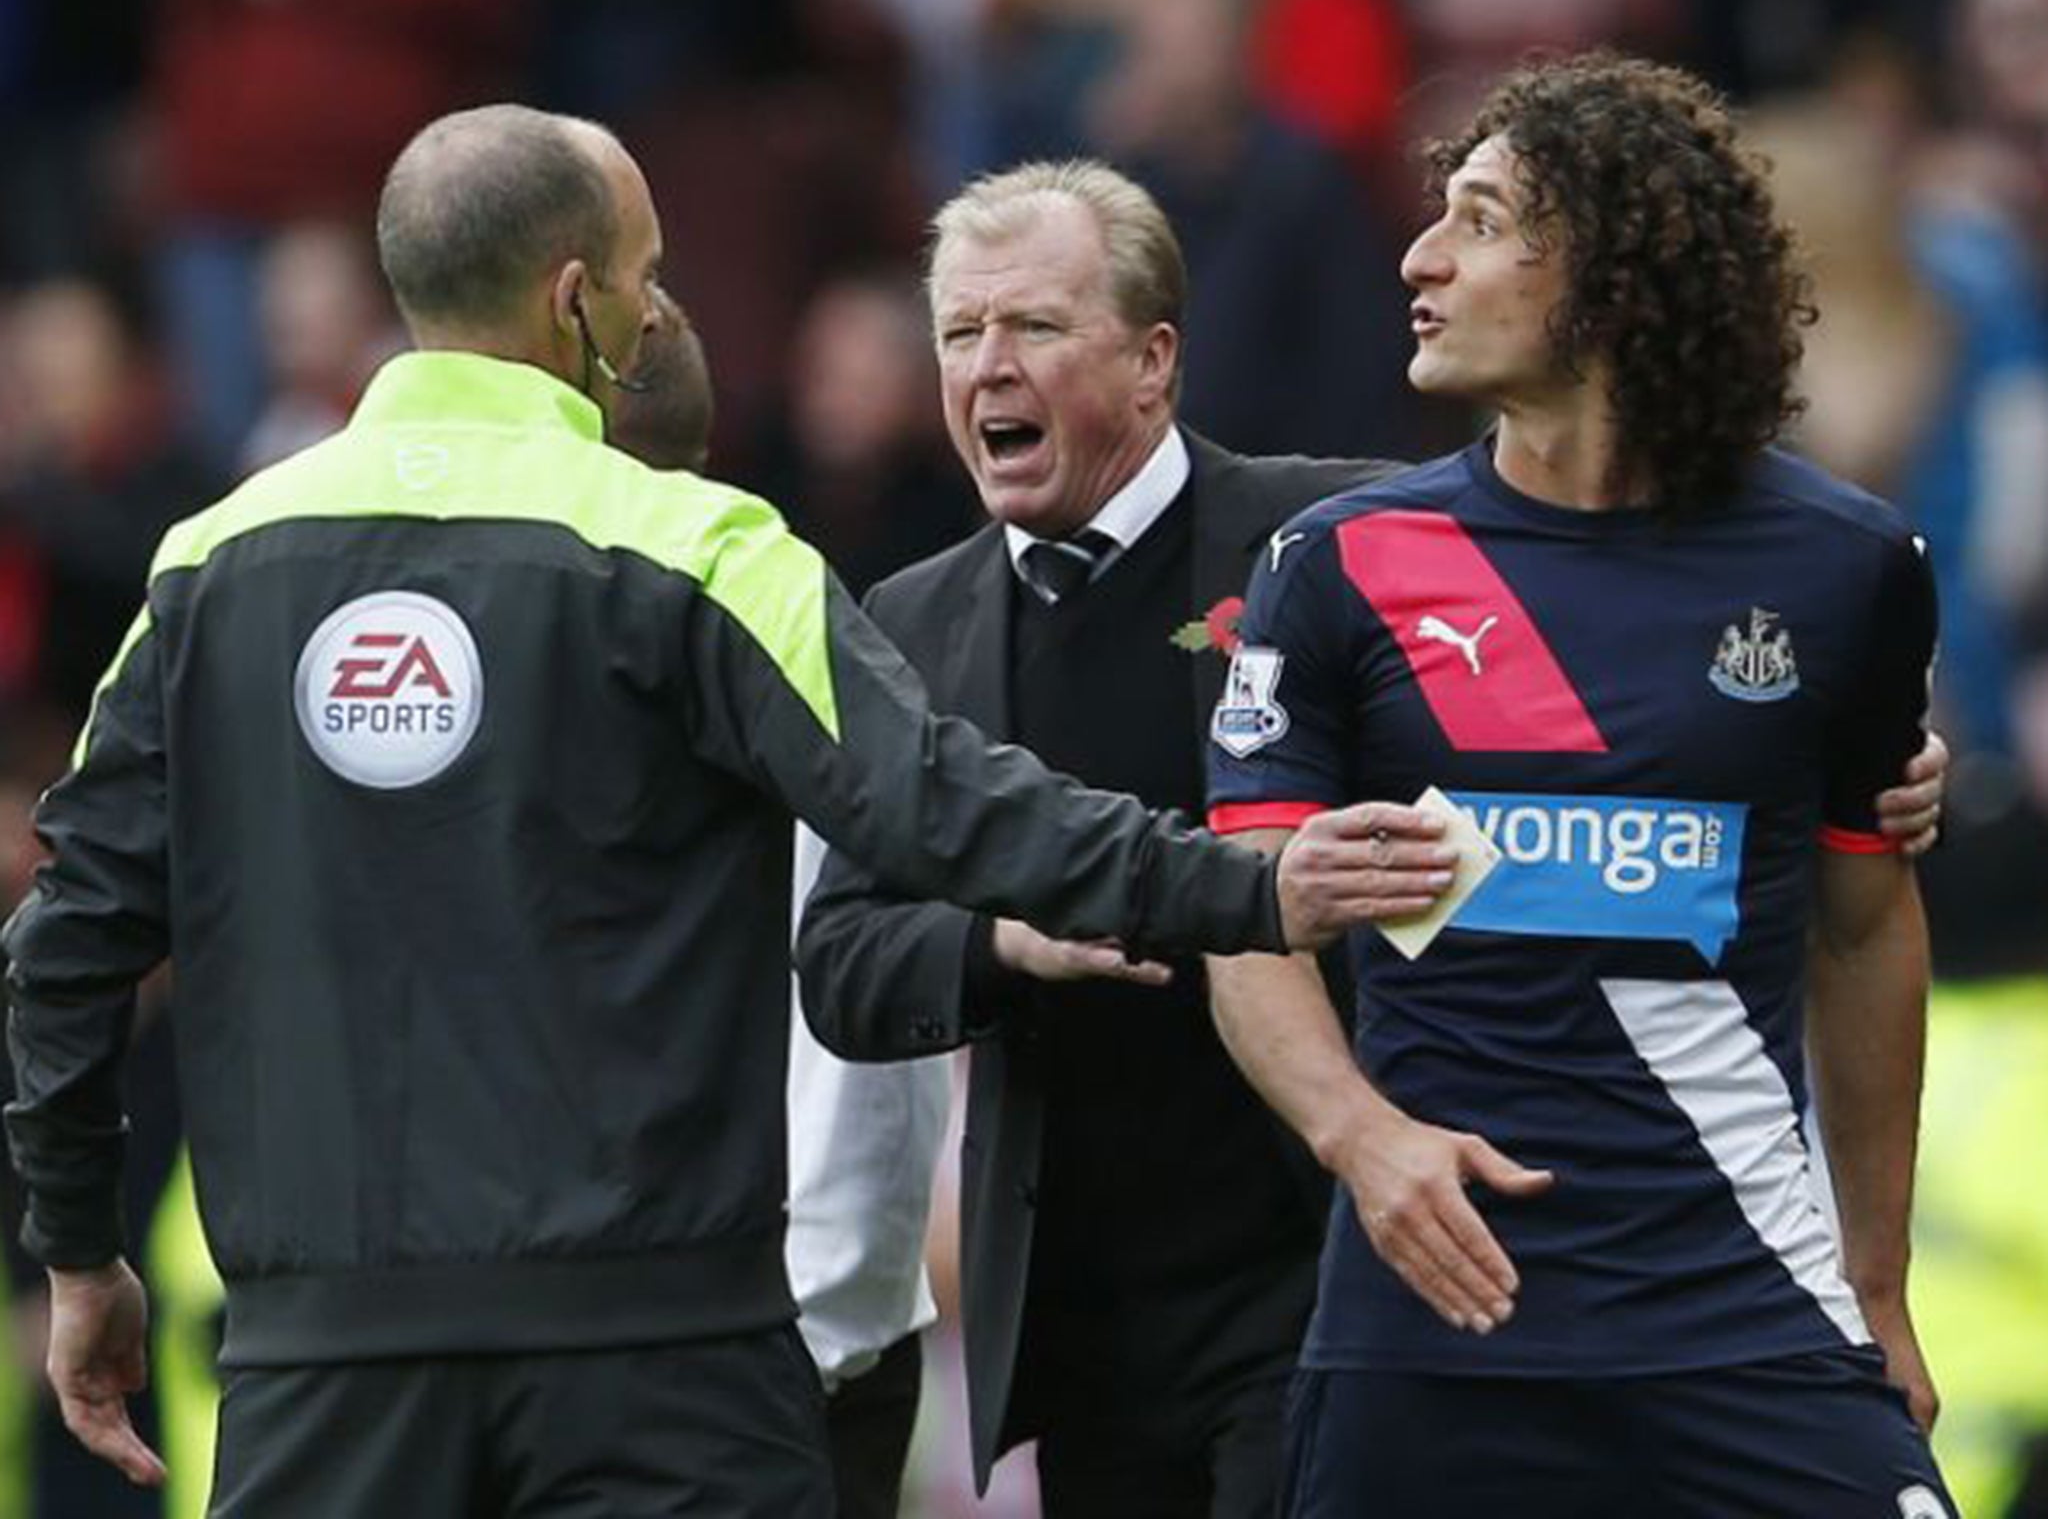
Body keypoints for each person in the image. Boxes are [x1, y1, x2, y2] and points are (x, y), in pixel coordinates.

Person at [1, 105, 1432, 1517]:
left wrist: (77, 1251)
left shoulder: (207, 567)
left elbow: (66, 947)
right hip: (660, 1374)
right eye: (643, 274)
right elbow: (941, 807)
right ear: (578, 302)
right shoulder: (697, 545)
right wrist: (1243, 886)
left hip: (326, 1376)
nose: (657, 311)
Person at [794, 158, 1949, 1514]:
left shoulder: (1334, 539)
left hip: (1339, 1247)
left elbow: (1613, 667)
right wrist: (1004, 941)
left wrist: (1844, 762)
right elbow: (844, 961)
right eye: (958, 333)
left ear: (1155, 360)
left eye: (1035, 328)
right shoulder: (906, 624)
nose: (988, 368)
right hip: (1080, 1295)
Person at [1204, 53, 1957, 1517]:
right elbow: (1247, 911)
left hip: (1746, 1311)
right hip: (1437, 1322)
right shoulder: (1340, 565)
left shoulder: (1845, 567)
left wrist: (1878, 1282)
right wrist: (1364, 1140)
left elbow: (1868, 929)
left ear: (1609, 275)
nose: (1420, 257)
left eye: (1478, 221)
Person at [609, 285, 947, 1519]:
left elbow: (859, 1027)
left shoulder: (776, 634)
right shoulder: (538, 684)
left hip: (765, 1366)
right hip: (632, 1358)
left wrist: (807, 1337)